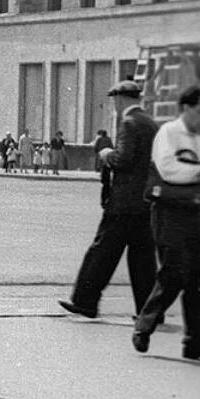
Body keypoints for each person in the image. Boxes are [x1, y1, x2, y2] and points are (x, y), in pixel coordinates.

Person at [60, 81, 158, 319]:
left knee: (101, 252)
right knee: (143, 259)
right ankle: (150, 311)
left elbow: (123, 159)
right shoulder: (151, 123)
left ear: (120, 99)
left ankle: (85, 301)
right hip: (144, 203)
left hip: (122, 203)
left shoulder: (129, 123)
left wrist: (106, 154)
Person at [132, 86, 200, 360]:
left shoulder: (199, 138)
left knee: (199, 277)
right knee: (174, 272)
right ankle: (144, 325)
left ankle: (198, 343)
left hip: (195, 213)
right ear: (186, 108)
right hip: (169, 213)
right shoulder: (168, 133)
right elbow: (168, 169)